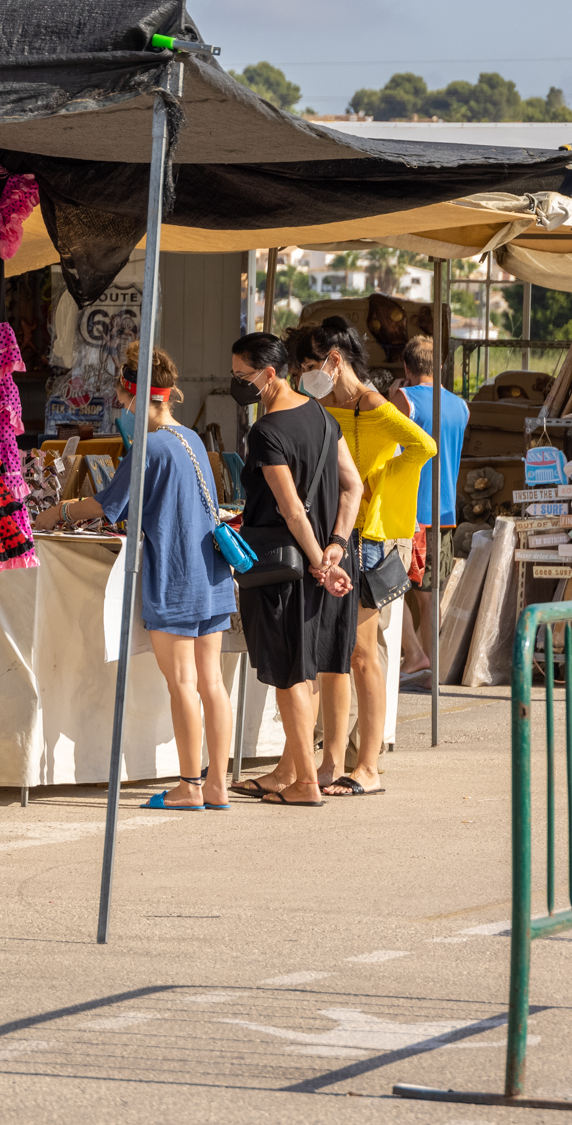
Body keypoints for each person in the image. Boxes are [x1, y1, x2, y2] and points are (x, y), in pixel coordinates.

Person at [52, 345, 236, 811]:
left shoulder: (148, 448)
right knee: (211, 683)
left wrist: (59, 510)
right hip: (211, 574)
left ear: (129, 393)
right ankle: (217, 785)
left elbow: (105, 506)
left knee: (182, 686)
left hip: (174, 576)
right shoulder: (192, 440)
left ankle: (190, 786)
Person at [297, 318, 432, 797]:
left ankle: (368, 765)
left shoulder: (376, 405)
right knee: (334, 653)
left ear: (335, 360)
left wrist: (380, 479)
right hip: (333, 536)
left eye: (312, 364)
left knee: (360, 652)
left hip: (371, 540)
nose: (307, 374)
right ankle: (333, 759)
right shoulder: (322, 407)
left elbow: (424, 446)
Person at [227, 331, 362, 808]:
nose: (236, 383)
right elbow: (353, 486)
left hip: (287, 568)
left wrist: (317, 561)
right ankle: (291, 770)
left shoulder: (265, 432)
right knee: (307, 670)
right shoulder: (324, 417)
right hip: (322, 561)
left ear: (269, 374)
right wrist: (336, 547)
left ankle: (306, 782)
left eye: (242, 375)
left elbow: (290, 508)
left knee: (289, 675)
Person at [390, 334, 466, 686]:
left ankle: (413, 655)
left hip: (409, 507)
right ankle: (430, 663)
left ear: (406, 367)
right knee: (430, 592)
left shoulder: (404, 398)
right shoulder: (461, 406)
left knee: (389, 586)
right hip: (445, 511)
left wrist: (392, 396)